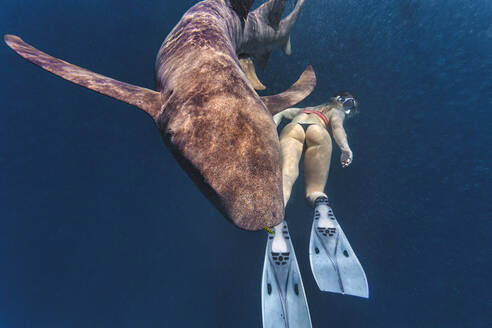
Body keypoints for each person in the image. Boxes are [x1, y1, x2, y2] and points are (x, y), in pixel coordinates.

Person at [261, 92, 368, 323]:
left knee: (285, 181)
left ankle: (275, 226)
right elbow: (338, 127)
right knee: (314, 191)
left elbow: (279, 114)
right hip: (319, 132)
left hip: (293, 128)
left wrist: (273, 125)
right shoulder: (335, 112)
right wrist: (345, 148)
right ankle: (321, 208)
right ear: (346, 107)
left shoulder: (307, 108)